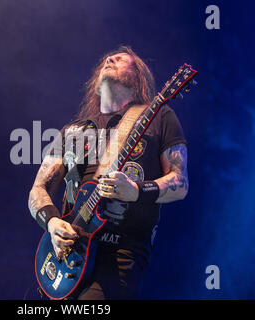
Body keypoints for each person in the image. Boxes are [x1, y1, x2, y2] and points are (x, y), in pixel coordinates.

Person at [28, 46, 188, 299]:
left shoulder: (159, 118)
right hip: (66, 252)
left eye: (123, 60)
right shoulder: (73, 131)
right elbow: (39, 189)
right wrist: (52, 222)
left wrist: (136, 190)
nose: (110, 58)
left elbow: (180, 182)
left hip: (119, 255)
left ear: (137, 78)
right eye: (108, 58)